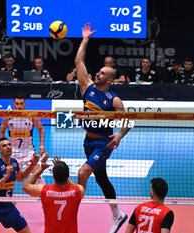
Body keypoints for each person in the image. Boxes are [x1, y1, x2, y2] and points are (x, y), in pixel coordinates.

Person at [74, 23, 131, 233]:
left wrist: (119, 137)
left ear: (109, 80)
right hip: (87, 141)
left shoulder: (114, 100)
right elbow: (78, 60)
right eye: (98, 71)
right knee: (101, 178)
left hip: (103, 143)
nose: (97, 73)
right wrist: (85, 38)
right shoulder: (87, 87)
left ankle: (73, 210)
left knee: (83, 172)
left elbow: (128, 121)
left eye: (101, 73)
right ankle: (118, 214)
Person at [0, 137, 39, 233]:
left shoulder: (14, 162)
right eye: (4, 145)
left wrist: (32, 165)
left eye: (9, 144)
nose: (8, 147)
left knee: (26, 231)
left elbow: (21, 177)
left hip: (8, 206)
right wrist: (5, 177)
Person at [22, 155, 85, 233]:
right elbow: (78, 187)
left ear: (53, 177)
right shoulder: (78, 191)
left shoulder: (45, 191)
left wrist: (41, 168)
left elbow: (25, 186)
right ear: (68, 175)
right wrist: (63, 172)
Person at [0, 94, 46, 184]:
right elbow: (1, 131)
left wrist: (42, 145)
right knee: (8, 177)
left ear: (25, 104)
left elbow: (41, 129)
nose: (19, 106)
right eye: (17, 104)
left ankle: (43, 195)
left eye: (21, 104)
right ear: (13, 104)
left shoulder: (31, 116)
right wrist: (3, 146)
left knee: (38, 175)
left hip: (28, 152)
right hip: (13, 154)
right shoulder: (8, 117)